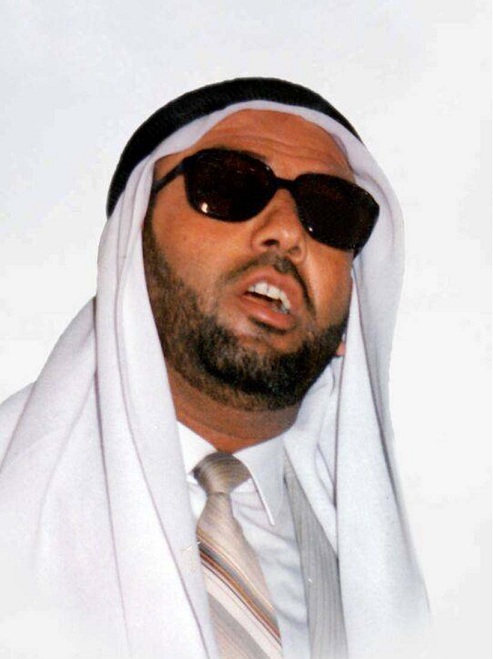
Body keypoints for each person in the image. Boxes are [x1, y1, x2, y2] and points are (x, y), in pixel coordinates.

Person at [0, 78, 429, 659]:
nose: (286, 232)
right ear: (130, 255)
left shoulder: (372, 577)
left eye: (329, 212)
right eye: (229, 186)